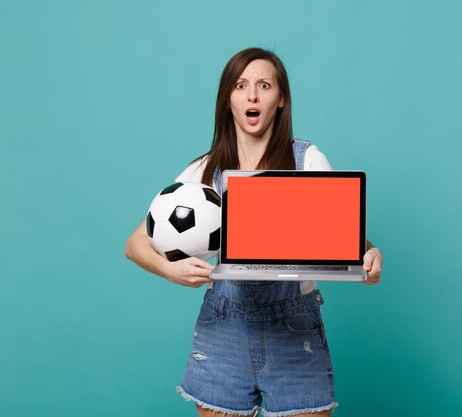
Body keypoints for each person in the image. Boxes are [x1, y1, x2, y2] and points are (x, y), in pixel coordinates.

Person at [125, 47, 383, 417]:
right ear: (227, 99)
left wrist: (370, 255)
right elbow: (135, 244)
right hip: (223, 328)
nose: (252, 95)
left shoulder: (307, 161)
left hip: (295, 330)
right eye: (240, 85)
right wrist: (171, 269)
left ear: (280, 100)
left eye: (264, 85)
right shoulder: (204, 171)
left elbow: (348, 238)